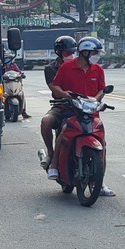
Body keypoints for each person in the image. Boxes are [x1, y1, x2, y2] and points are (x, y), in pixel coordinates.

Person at [48, 36, 115, 197]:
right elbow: (55, 85)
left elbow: (101, 89)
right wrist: (65, 95)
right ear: (85, 52)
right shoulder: (67, 67)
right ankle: (54, 165)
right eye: (94, 52)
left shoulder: (98, 69)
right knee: (64, 131)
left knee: (102, 143)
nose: (96, 55)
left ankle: (100, 181)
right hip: (70, 110)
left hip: (92, 112)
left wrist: (96, 99)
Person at [38, 35, 77, 172]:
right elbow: (54, 88)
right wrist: (66, 94)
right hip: (60, 105)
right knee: (46, 122)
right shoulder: (50, 68)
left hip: (78, 107)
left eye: (72, 53)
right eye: (67, 53)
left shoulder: (79, 66)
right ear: (59, 53)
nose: (70, 55)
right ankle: (51, 153)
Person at [3, 52, 30, 119]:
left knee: (21, 94)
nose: (8, 60)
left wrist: (21, 74)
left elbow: (19, 72)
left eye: (9, 58)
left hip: (14, 83)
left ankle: (23, 111)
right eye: (7, 58)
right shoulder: (2, 66)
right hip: (5, 83)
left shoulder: (14, 65)